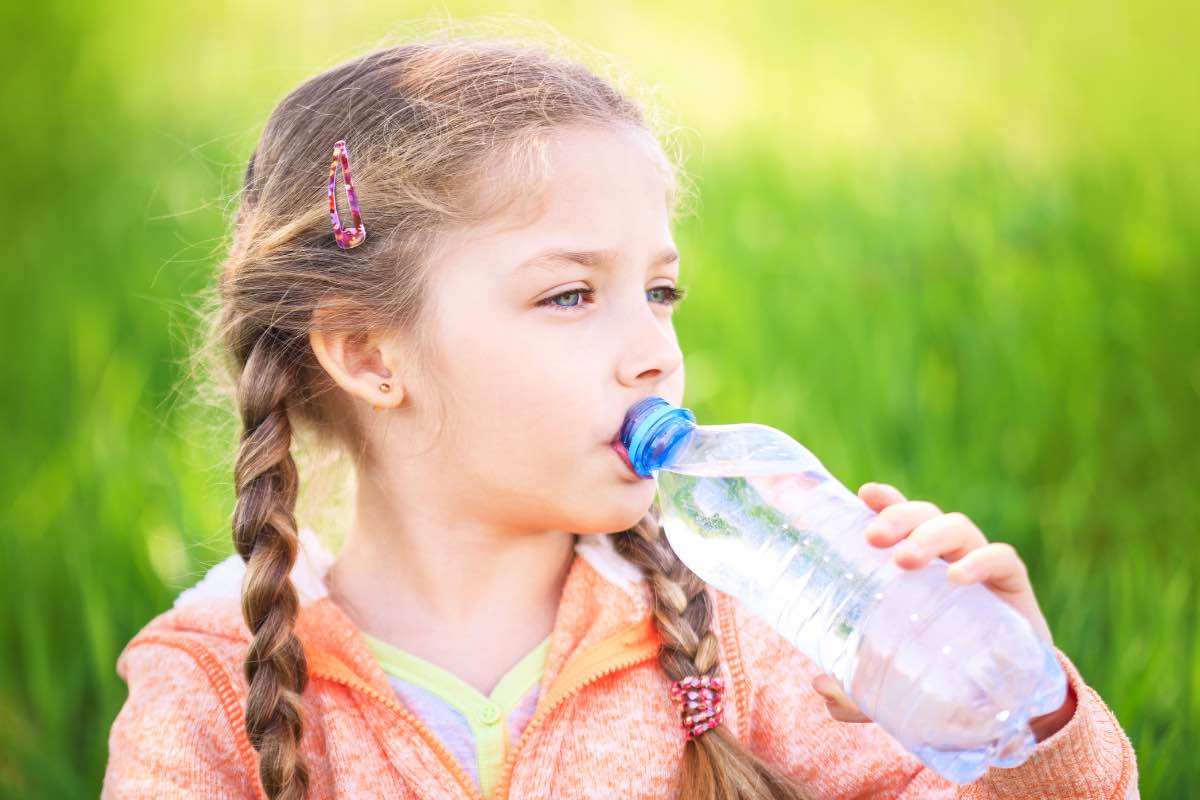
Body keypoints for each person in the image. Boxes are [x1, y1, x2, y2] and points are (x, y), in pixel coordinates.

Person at [101, 33, 1139, 800]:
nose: (655, 348)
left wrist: (1030, 718)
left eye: (661, 291)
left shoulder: (738, 629)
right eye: (570, 295)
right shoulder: (208, 690)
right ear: (371, 352)